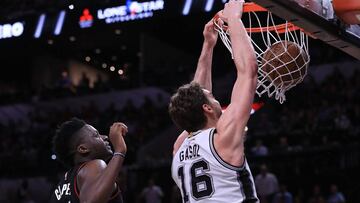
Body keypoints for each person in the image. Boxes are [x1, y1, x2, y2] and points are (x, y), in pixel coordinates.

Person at [169, 0, 259, 202]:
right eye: (212, 97)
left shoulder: (179, 148)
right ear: (207, 108)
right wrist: (234, 19)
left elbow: (198, 93)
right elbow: (249, 73)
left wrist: (208, 45)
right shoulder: (223, 137)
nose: (215, 96)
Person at [50, 118, 127, 203]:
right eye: (96, 135)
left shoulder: (61, 187)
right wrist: (120, 151)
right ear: (83, 148)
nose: (105, 137)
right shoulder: (95, 165)